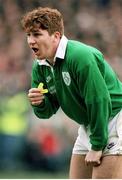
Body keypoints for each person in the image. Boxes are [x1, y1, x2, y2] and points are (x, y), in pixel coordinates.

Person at [21, 7, 122, 179]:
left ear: (56, 36)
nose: (31, 41)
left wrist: (97, 146)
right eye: (29, 35)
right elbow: (47, 111)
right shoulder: (40, 65)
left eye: (37, 35)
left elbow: (98, 100)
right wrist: (40, 103)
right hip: (90, 124)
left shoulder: (80, 56)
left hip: (114, 119)